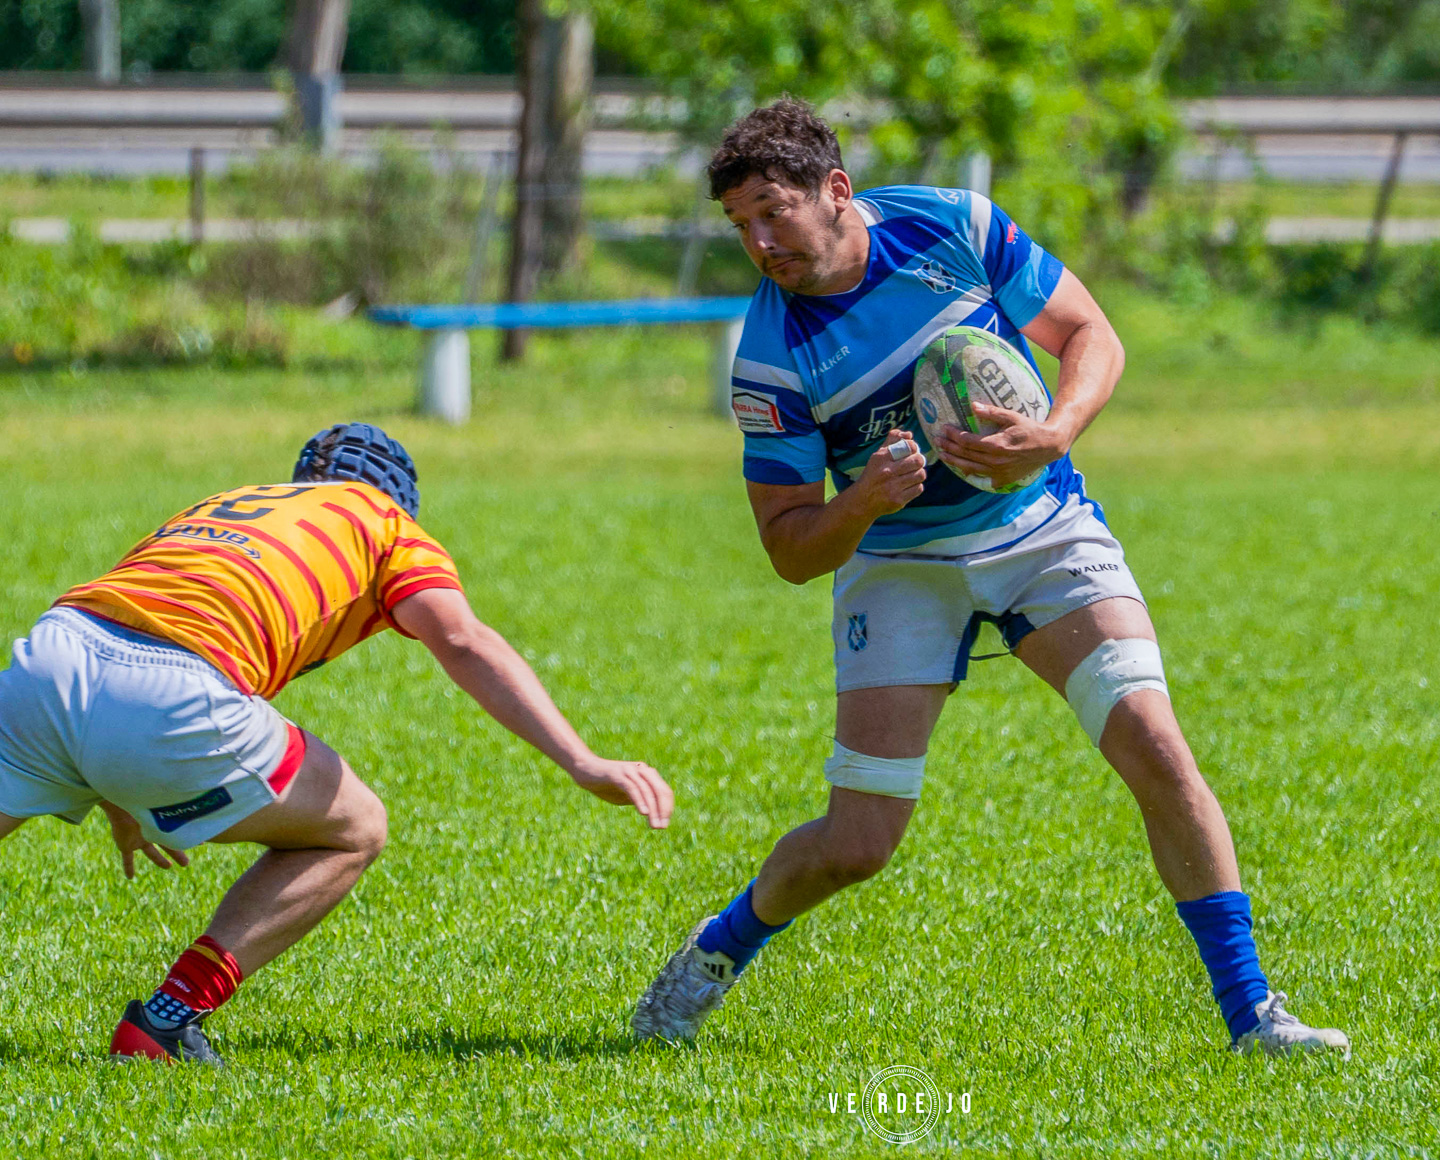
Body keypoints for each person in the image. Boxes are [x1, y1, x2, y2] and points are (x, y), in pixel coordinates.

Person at [630, 97, 1346, 1057]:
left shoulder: (951, 226)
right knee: (858, 845)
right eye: (739, 226)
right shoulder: (771, 360)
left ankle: (1254, 1015)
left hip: (1040, 526)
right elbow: (790, 549)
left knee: (1156, 747)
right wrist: (864, 502)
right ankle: (718, 950)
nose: (759, 242)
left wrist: (1056, 431)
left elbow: (1092, 334)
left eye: (773, 212)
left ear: (836, 191)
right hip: (900, 563)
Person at [0, 423, 672, 1064]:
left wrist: (112, 786)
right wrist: (582, 761)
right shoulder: (387, 525)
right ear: (401, 498)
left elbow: (127, 636)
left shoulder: (234, 501)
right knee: (354, 827)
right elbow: (463, 641)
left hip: (50, 653)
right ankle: (168, 1020)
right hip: (178, 686)